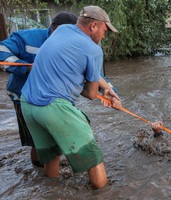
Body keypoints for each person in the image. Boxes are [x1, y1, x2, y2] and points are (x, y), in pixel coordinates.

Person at [20, 5, 121, 189]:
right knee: (93, 157)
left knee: (52, 157)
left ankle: (54, 192)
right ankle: (104, 193)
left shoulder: (63, 29)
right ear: (94, 26)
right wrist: (99, 92)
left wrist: (106, 88)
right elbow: (90, 94)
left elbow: (67, 62)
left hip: (27, 104)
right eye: (105, 30)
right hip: (53, 107)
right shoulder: (94, 50)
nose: (104, 36)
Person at [0, 11, 78, 167]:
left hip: (56, 98)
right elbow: (1, 51)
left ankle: (49, 170)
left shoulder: (74, 44)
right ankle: (39, 172)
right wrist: (28, 68)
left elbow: (91, 73)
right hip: (23, 97)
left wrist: (109, 91)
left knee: (58, 137)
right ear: (54, 28)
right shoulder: (27, 38)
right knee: (36, 140)